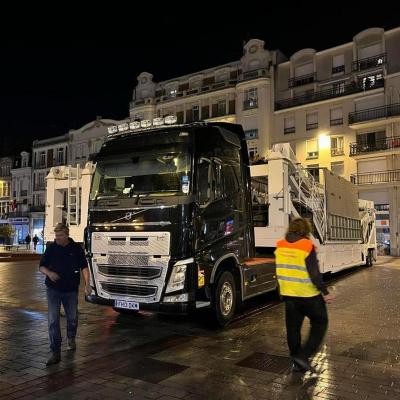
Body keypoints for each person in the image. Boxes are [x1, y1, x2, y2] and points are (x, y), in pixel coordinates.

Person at [275, 218, 335, 373]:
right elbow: (314, 274)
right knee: (321, 321)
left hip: (289, 296)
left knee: (293, 329)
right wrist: (325, 292)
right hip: (309, 296)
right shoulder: (306, 246)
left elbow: (280, 270)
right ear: (305, 230)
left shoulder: (280, 246)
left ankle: (296, 359)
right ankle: (304, 355)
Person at [39, 223, 91, 366]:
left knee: (73, 318)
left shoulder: (76, 249)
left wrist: (87, 284)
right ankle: (55, 352)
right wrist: (49, 273)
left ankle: (71, 338)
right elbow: (41, 266)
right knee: (53, 321)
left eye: (60, 236)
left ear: (67, 234)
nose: (58, 238)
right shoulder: (51, 248)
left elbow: (84, 267)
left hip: (70, 290)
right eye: (56, 236)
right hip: (53, 290)